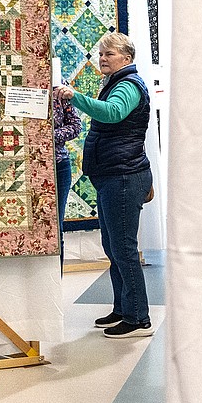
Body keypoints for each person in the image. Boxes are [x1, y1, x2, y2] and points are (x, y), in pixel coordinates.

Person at [57, 32, 153, 338]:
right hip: (114, 174)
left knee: (123, 248)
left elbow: (113, 114)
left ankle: (139, 318)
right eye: (101, 53)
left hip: (124, 176)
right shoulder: (116, 83)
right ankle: (123, 308)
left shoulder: (127, 86)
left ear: (126, 58)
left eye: (108, 54)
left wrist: (76, 97)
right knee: (113, 245)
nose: (102, 58)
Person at [53, 87, 82, 264]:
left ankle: (56, 285)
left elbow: (76, 125)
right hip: (21, 167)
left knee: (56, 229)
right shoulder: (11, 86)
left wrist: (47, 136)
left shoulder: (59, 87)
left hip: (58, 165)